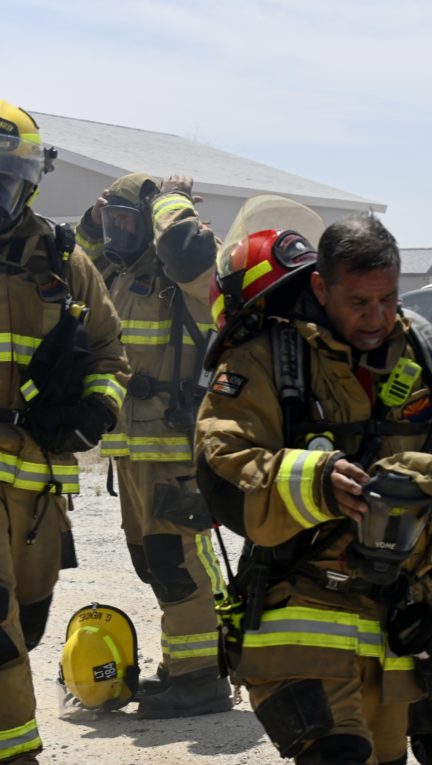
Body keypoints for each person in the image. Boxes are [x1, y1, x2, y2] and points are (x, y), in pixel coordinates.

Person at [195, 205, 432, 765]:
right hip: (299, 616)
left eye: (388, 299)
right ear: (321, 287)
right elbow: (223, 462)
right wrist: (315, 481)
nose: (377, 317)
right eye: (359, 302)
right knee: (337, 754)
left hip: (397, 624)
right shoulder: (266, 359)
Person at [0, 100, 129, 765]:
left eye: (5, 180)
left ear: (28, 182)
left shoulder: (60, 258)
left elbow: (110, 350)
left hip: (37, 488)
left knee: (26, 622)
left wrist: (96, 409)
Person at [74, 172, 230, 718]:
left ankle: (201, 678)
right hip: (131, 447)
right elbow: (74, 266)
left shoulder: (181, 275)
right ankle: (184, 666)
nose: (116, 234)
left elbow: (191, 255)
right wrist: (95, 221)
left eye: (126, 222)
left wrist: (170, 202)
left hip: (172, 446)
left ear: (151, 225)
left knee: (176, 562)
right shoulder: (117, 272)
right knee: (153, 563)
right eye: (110, 223)